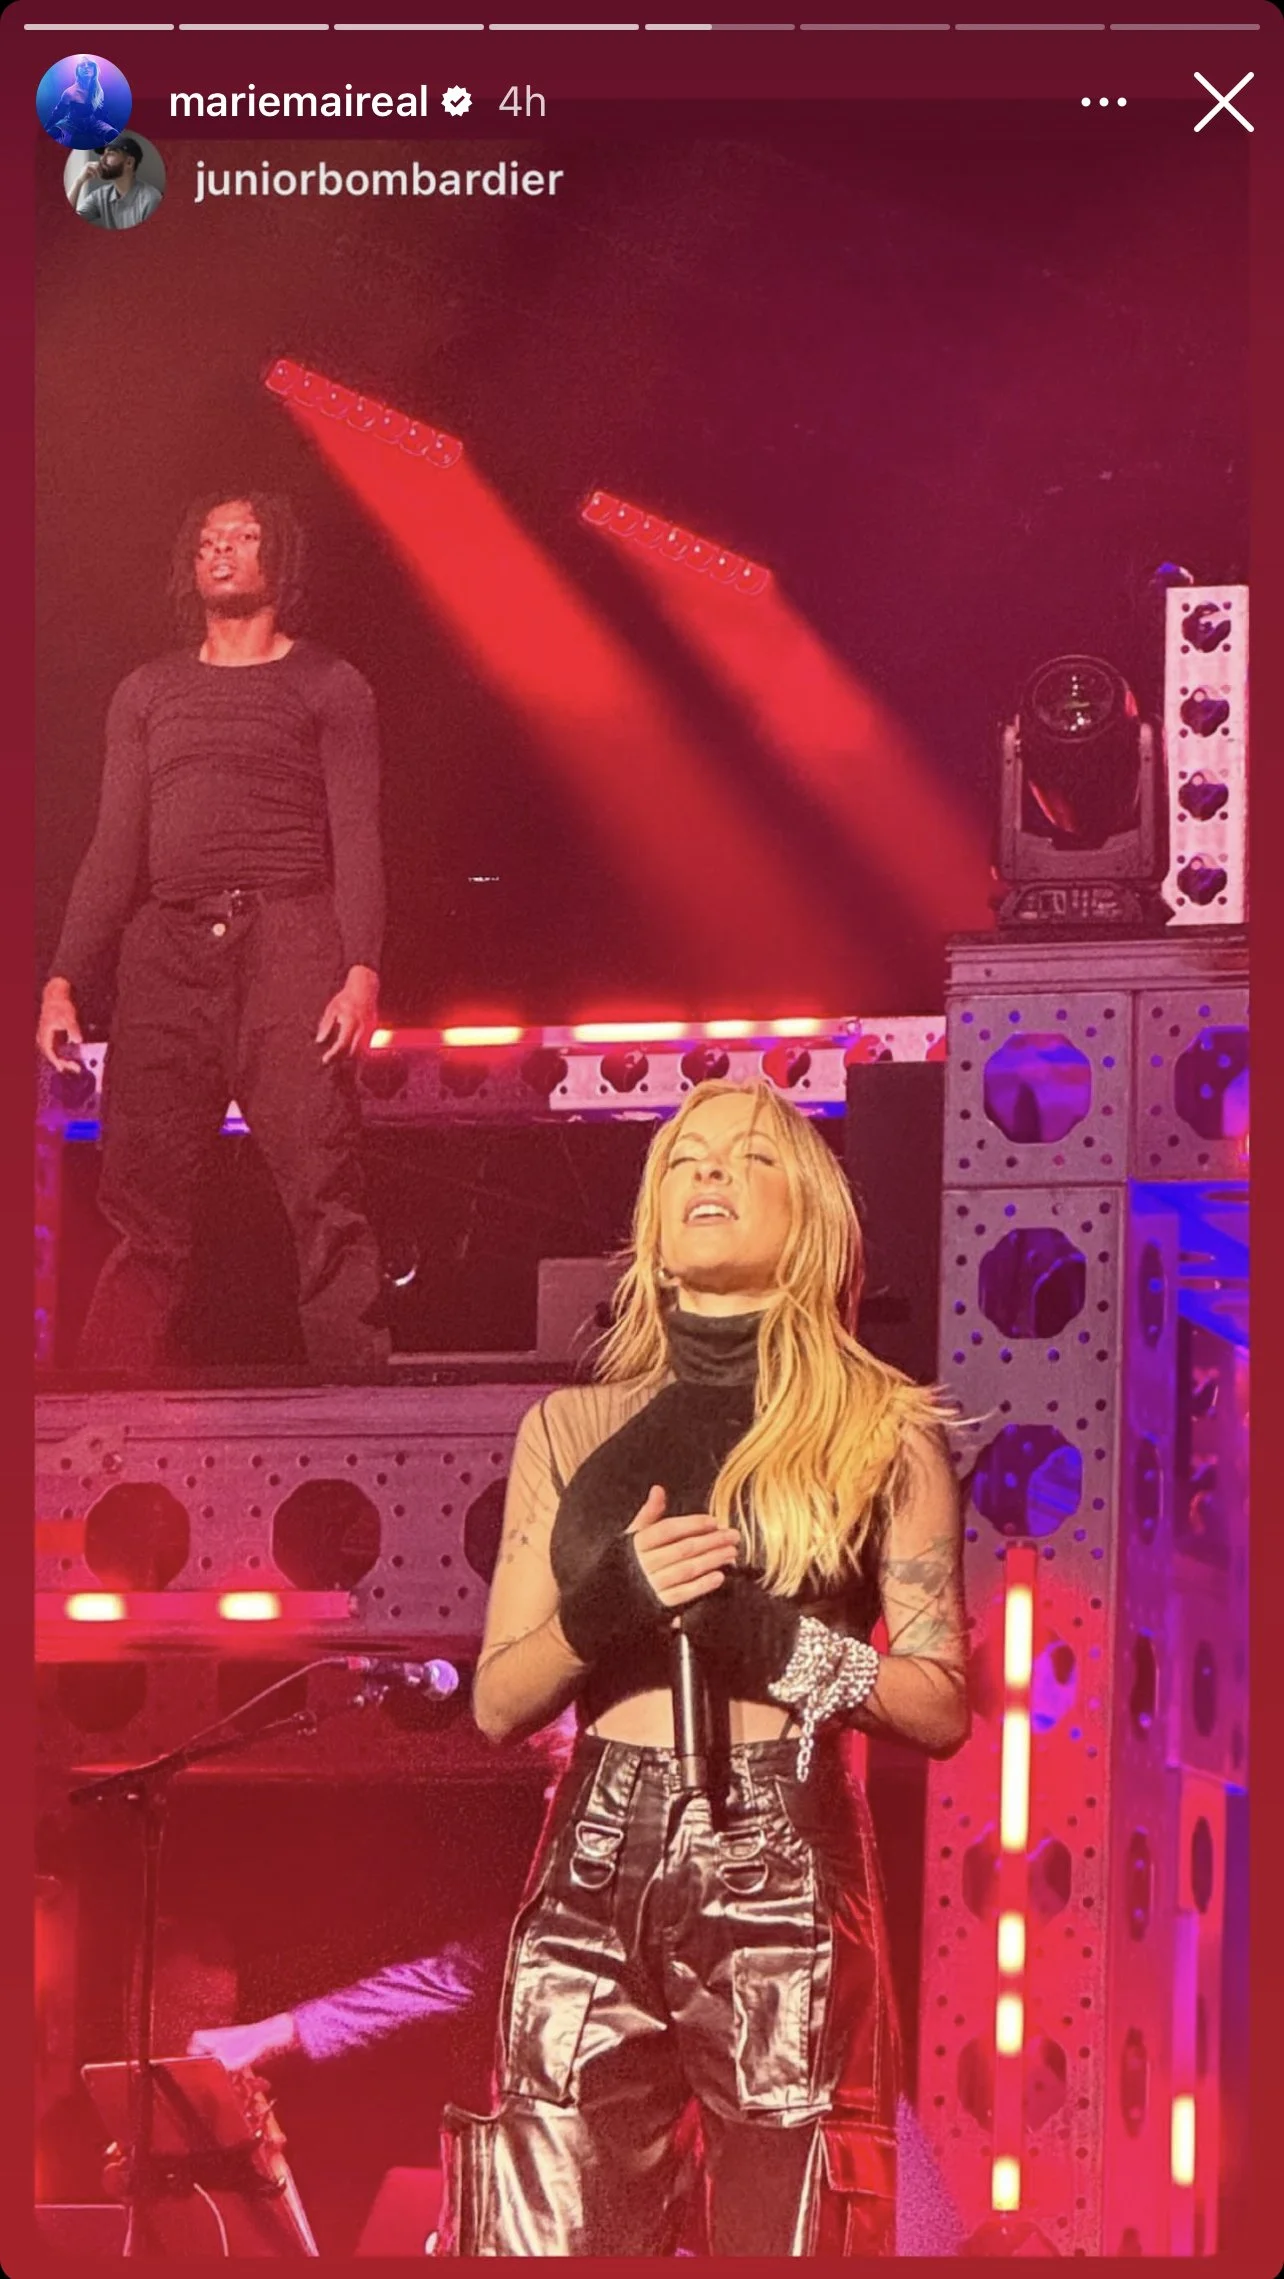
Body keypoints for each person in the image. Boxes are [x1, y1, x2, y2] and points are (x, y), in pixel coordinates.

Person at [433, 1077, 970, 2257]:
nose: (710, 1173)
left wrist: (775, 1642)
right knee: (540, 2219)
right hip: (589, 1846)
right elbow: (498, 1699)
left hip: (776, 1842)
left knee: (794, 2221)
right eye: (685, 1158)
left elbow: (939, 1703)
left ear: (813, 1211)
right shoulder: (570, 1428)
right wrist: (612, 1599)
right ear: (653, 1219)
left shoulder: (883, 1428)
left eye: (749, 1157)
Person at [37, 494, 391, 1379]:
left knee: (320, 1182)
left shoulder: (329, 684)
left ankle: (356, 1391)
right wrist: (63, 979)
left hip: (291, 937)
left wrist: (360, 969)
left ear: (282, 558)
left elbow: (357, 835)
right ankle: (104, 1416)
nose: (220, 551)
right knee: (142, 1193)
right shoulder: (149, 690)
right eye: (206, 541)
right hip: (169, 949)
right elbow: (115, 844)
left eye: (241, 538)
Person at [71, 137, 162, 232]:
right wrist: (79, 181)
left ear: (129, 162)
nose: (102, 159)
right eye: (103, 154)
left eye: (110, 154)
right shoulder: (100, 196)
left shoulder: (151, 199)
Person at [45, 57, 124, 150]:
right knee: (52, 135)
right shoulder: (70, 92)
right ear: (78, 71)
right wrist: (46, 130)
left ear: (94, 69)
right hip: (71, 123)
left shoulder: (98, 91)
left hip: (92, 122)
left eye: (89, 65)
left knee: (114, 135)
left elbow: (101, 113)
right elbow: (57, 114)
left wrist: (113, 129)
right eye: (82, 65)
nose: (86, 67)